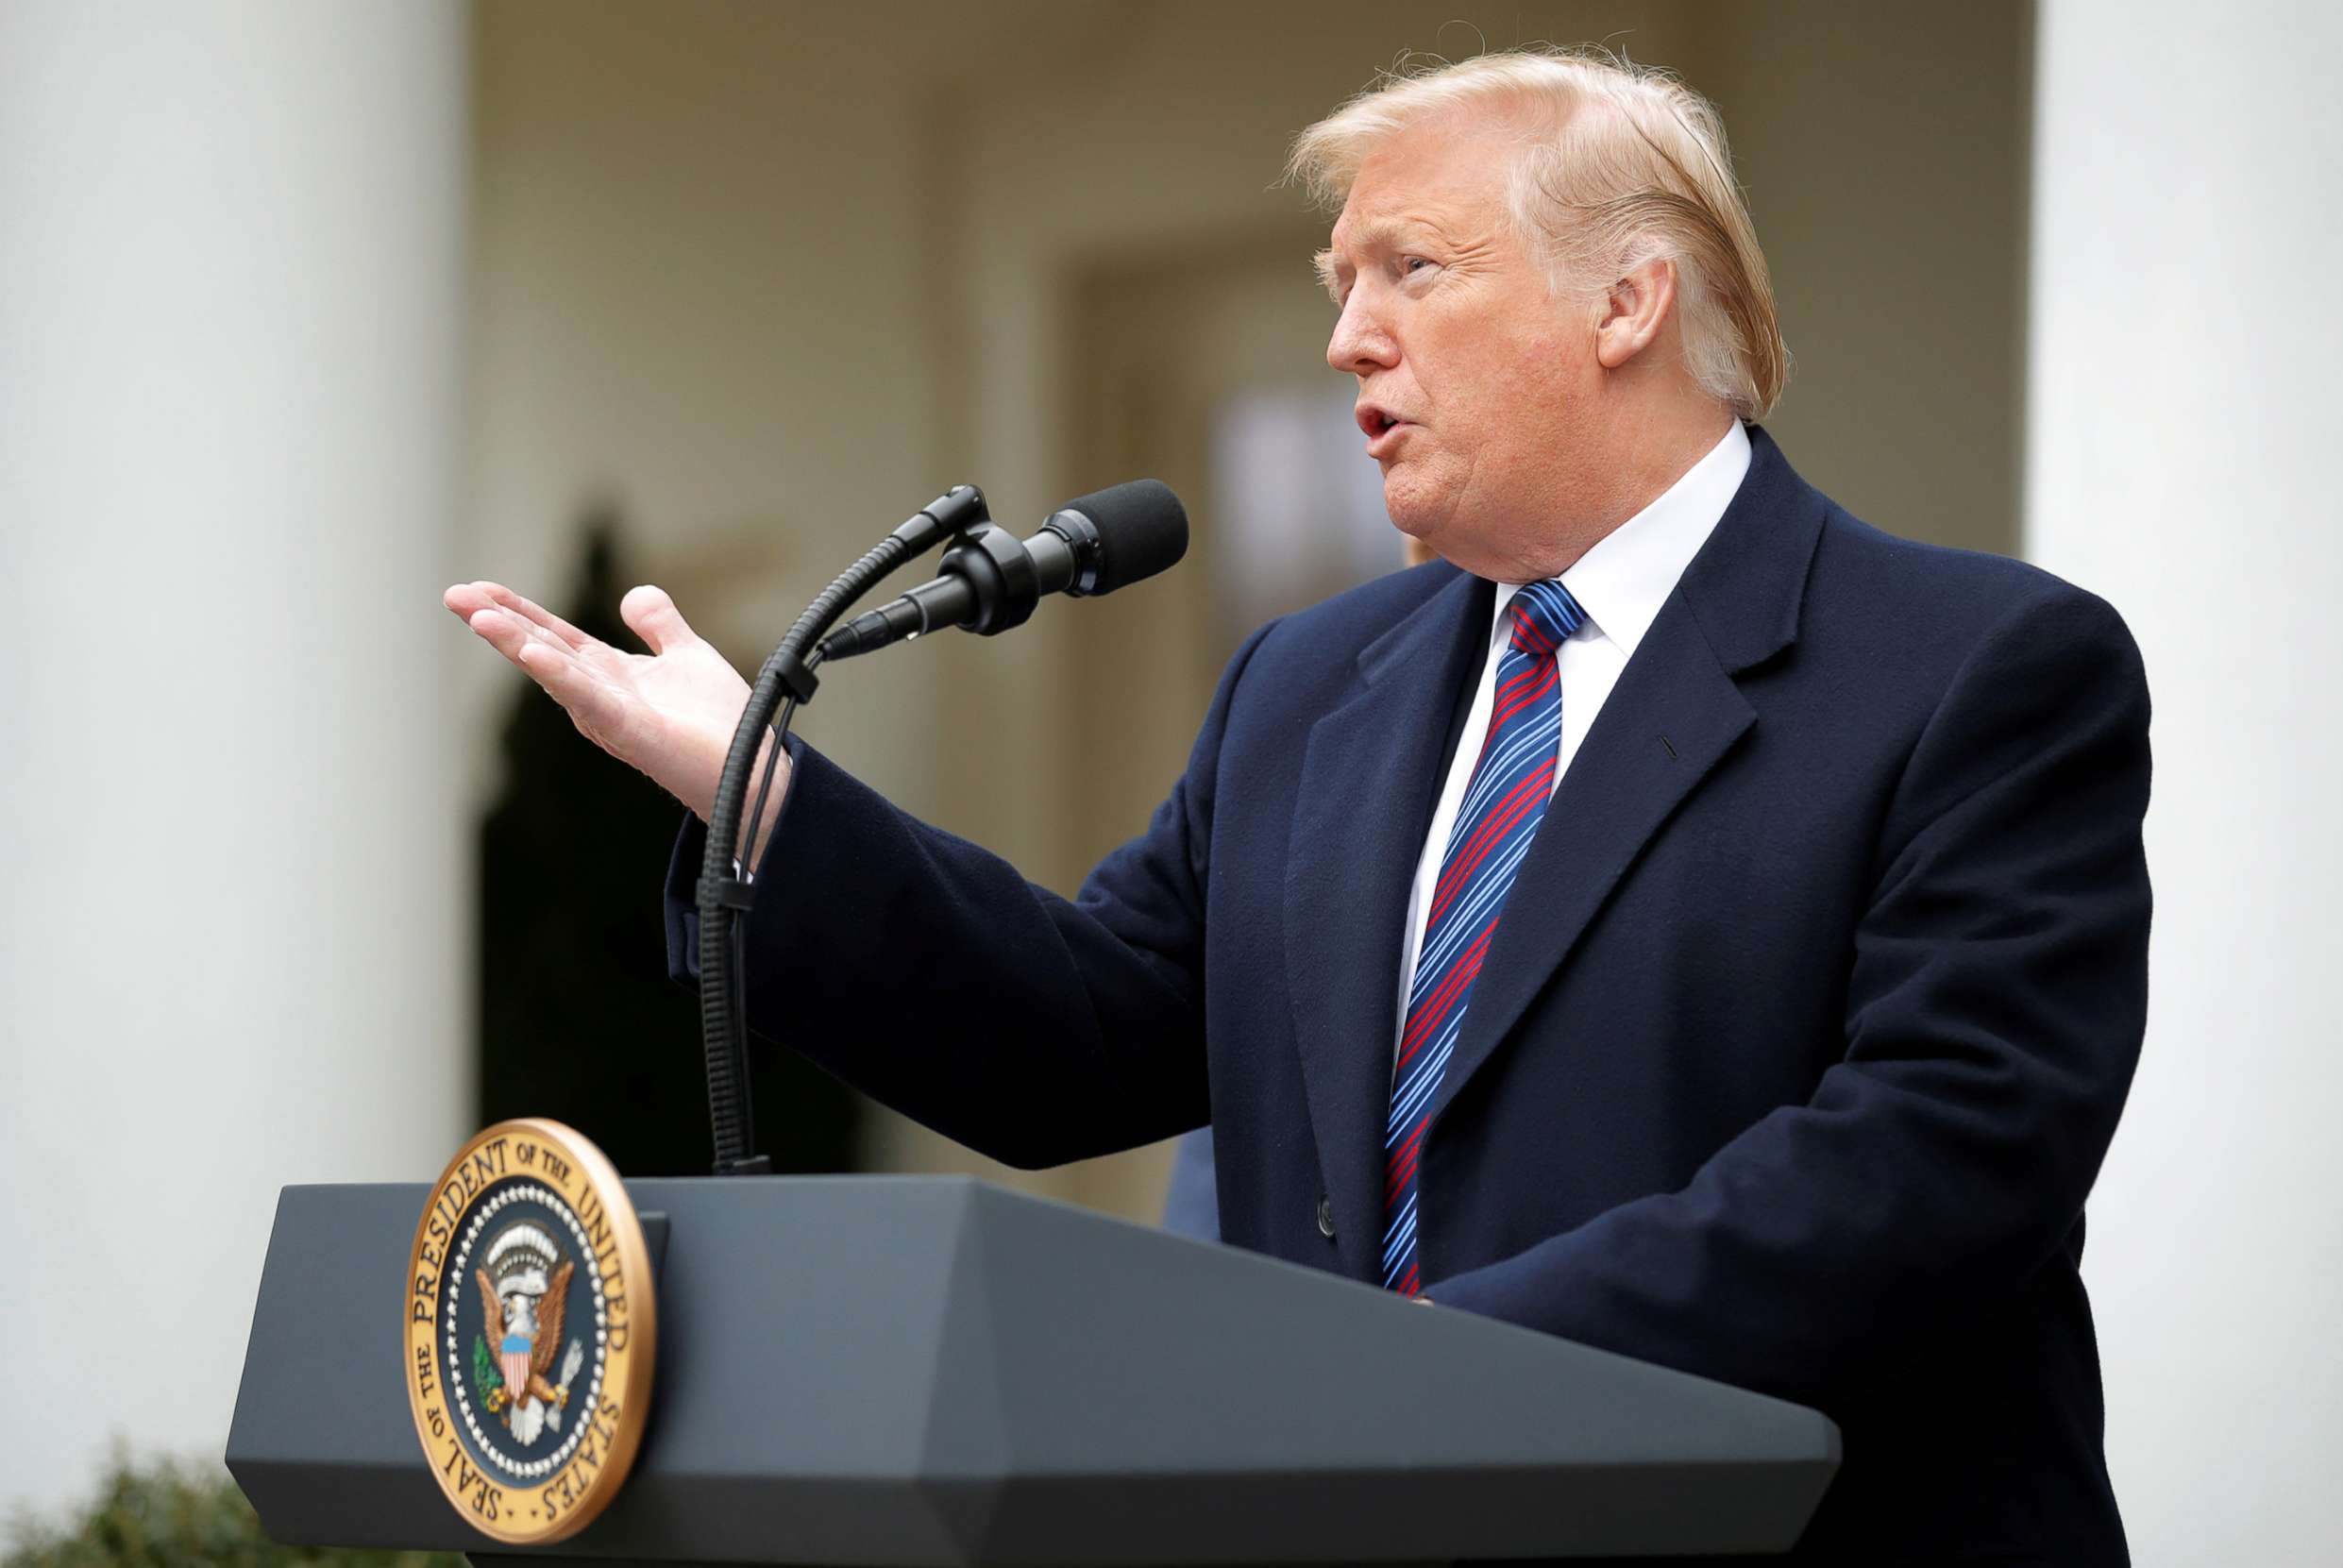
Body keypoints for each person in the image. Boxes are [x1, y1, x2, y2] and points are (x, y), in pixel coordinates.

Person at [447, 50, 2149, 1563]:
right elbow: (1074, 1030)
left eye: (1413, 267)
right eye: (1340, 281)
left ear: (1627, 300)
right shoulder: (1309, 685)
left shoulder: (1975, 671)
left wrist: (1409, 1378)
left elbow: (1936, 1168)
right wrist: (759, 797)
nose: (1348, 334)